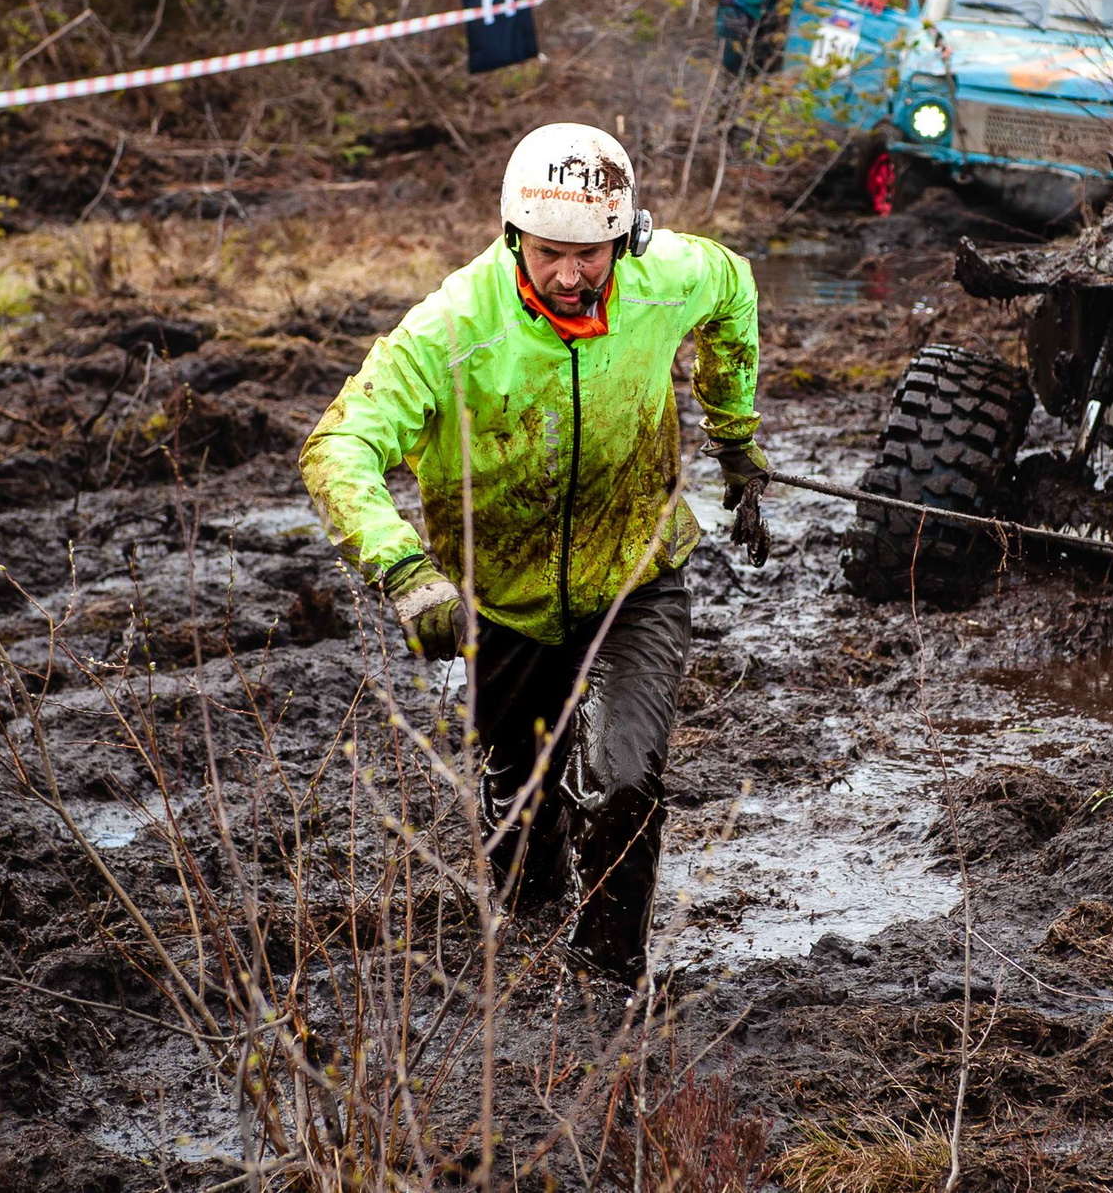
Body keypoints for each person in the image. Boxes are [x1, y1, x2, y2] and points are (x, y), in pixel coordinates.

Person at [299, 122, 771, 989]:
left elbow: (733, 286)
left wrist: (733, 432)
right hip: (504, 599)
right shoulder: (453, 327)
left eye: (590, 253)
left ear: (626, 236)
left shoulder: (667, 277)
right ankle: (528, 916)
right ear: (514, 235)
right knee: (520, 807)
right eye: (550, 252)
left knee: (622, 781)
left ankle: (608, 982)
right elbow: (338, 446)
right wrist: (404, 569)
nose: (569, 275)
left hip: (636, 575)